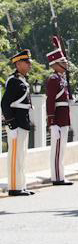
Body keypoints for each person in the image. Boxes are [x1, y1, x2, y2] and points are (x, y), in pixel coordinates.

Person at [2, 49, 35, 195]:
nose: (30, 65)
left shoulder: (22, 80)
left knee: (22, 156)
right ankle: (14, 187)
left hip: (23, 123)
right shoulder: (13, 81)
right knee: (15, 156)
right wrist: (11, 124)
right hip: (16, 123)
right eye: (27, 62)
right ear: (19, 64)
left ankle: (21, 185)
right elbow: (4, 104)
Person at [45, 37, 73, 186]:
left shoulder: (62, 79)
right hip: (57, 119)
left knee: (62, 149)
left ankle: (60, 175)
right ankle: (56, 177)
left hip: (64, 118)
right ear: (54, 64)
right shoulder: (53, 79)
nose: (65, 63)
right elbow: (50, 101)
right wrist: (52, 122)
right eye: (62, 62)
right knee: (56, 150)